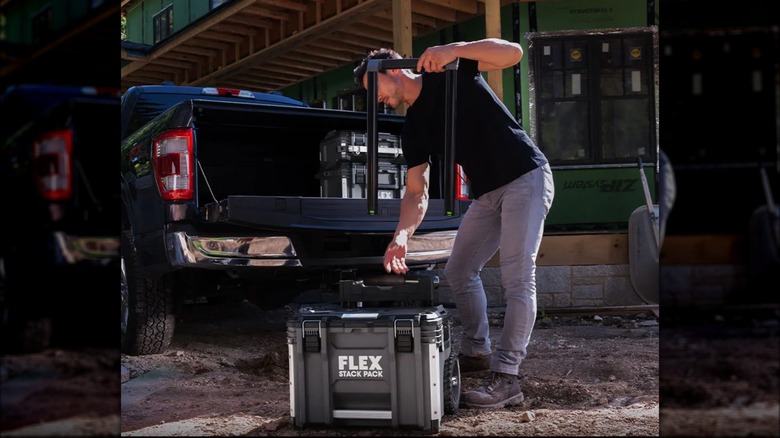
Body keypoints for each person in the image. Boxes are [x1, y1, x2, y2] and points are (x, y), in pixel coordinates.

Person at [354, 38, 555, 409]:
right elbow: (417, 192)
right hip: (488, 193)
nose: (374, 101)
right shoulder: (412, 128)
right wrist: (401, 235)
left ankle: (507, 377)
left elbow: (513, 53)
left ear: (394, 70)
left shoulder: (449, 72)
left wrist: (457, 48)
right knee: (459, 270)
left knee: (518, 276)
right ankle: (478, 351)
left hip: (525, 176)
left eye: (374, 90)